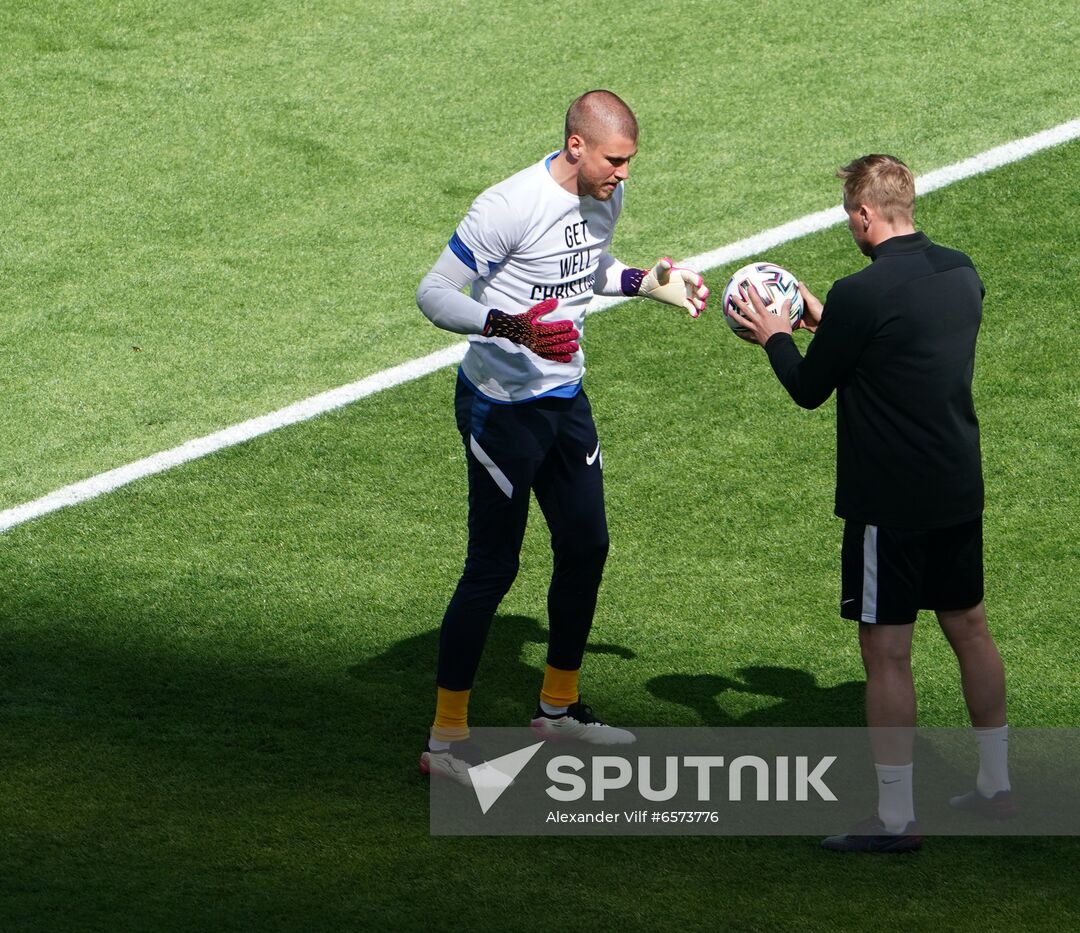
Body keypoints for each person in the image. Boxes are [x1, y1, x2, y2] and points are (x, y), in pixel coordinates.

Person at [415, 89, 709, 785]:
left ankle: (556, 708)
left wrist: (643, 283)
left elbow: (587, 269)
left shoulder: (604, 197)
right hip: (501, 408)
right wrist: (515, 328)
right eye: (615, 159)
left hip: (563, 397)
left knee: (587, 543)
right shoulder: (508, 206)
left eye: (630, 161)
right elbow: (434, 293)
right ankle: (446, 742)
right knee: (492, 569)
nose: (624, 174)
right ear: (576, 145)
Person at [726, 154, 1011, 853]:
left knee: (886, 652)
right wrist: (830, 318)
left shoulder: (860, 292)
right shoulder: (960, 271)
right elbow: (899, 348)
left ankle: (893, 820)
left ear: (863, 214)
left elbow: (807, 387)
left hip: (890, 504)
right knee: (969, 628)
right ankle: (997, 785)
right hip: (956, 487)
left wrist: (776, 336)